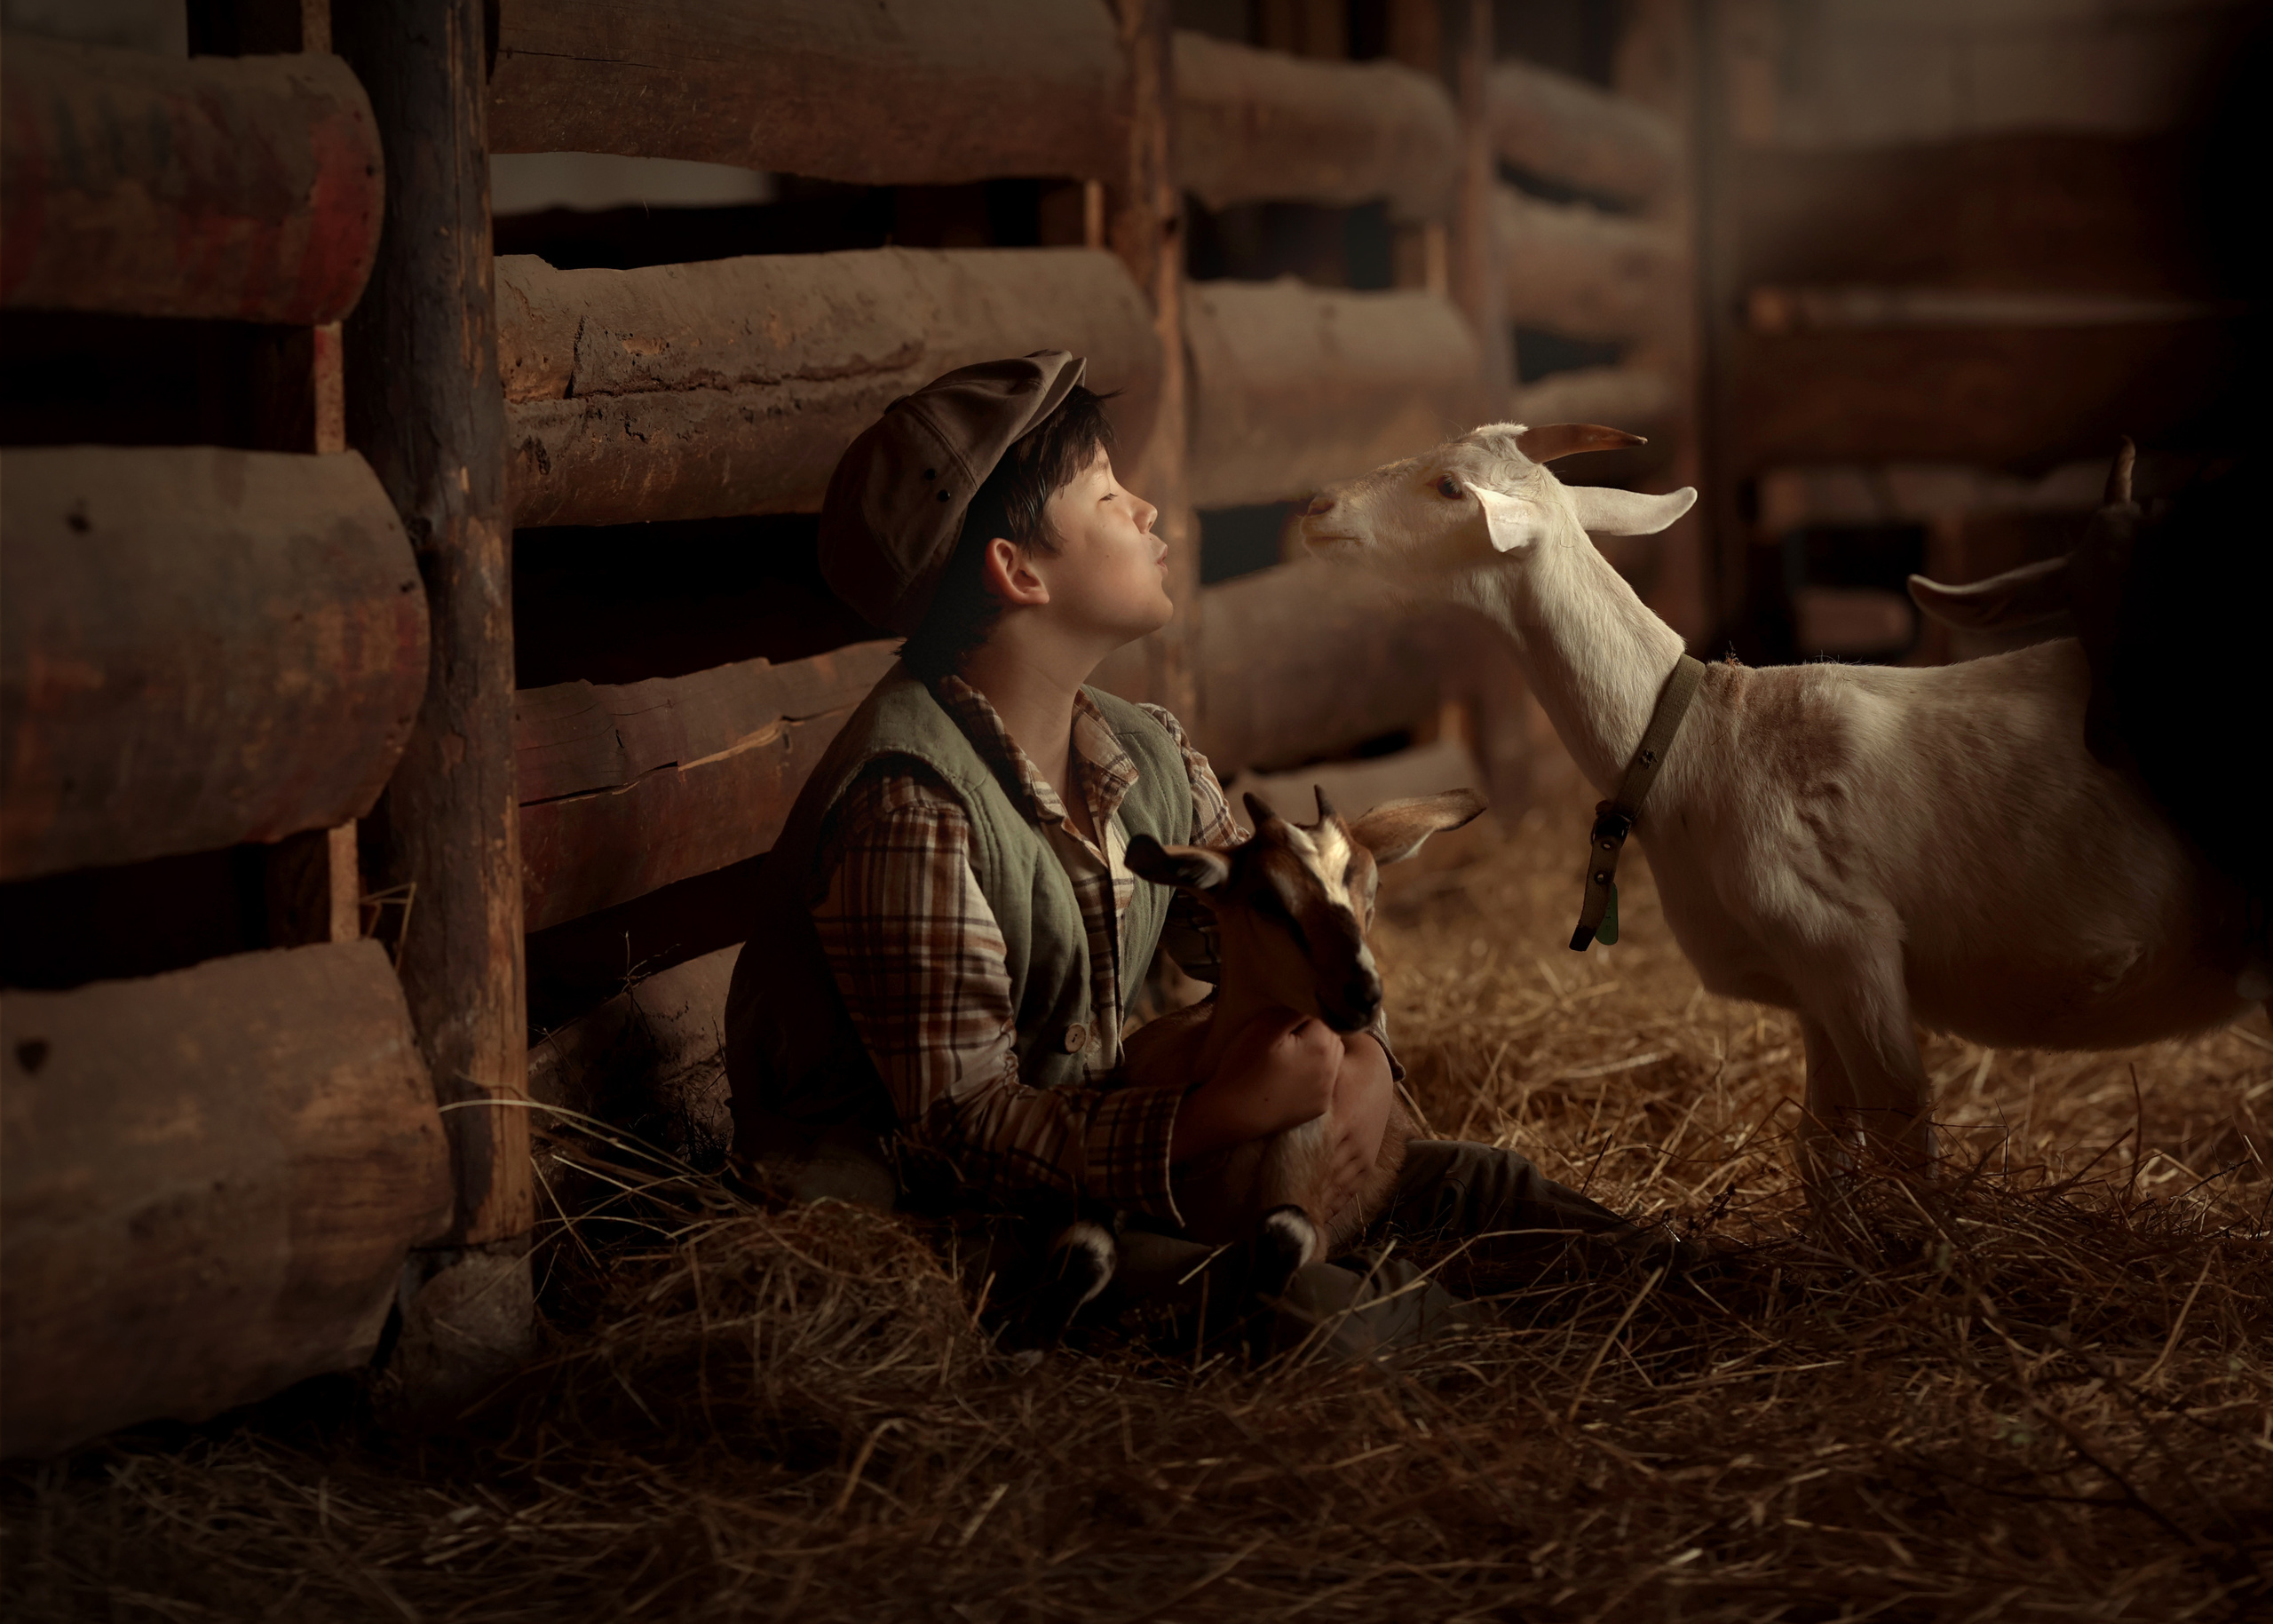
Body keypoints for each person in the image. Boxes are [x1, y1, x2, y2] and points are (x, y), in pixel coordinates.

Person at [724, 352, 1668, 1359]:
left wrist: (1363, 1063)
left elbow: (1286, 928)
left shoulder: (1142, 750)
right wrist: (1209, 1122)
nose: (1148, 510)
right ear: (1018, 571)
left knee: (1489, 1190)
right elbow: (959, 1138)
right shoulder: (911, 805)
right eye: (1107, 495)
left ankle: (1709, 1303)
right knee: (1314, 1316)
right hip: (952, 1236)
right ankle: (1518, 1363)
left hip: (1115, 1163)